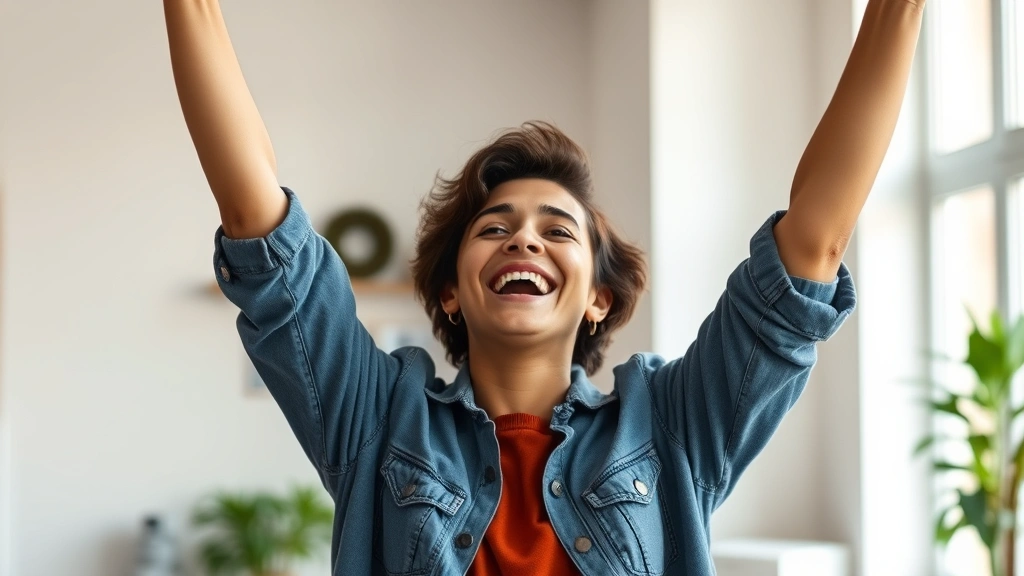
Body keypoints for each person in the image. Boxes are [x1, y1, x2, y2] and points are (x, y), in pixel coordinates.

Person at [163, 0, 925, 574]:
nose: (524, 236)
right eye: (494, 227)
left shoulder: (670, 428)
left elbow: (814, 242)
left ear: (598, 296)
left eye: (558, 230)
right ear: (452, 292)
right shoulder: (379, 418)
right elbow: (258, 223)